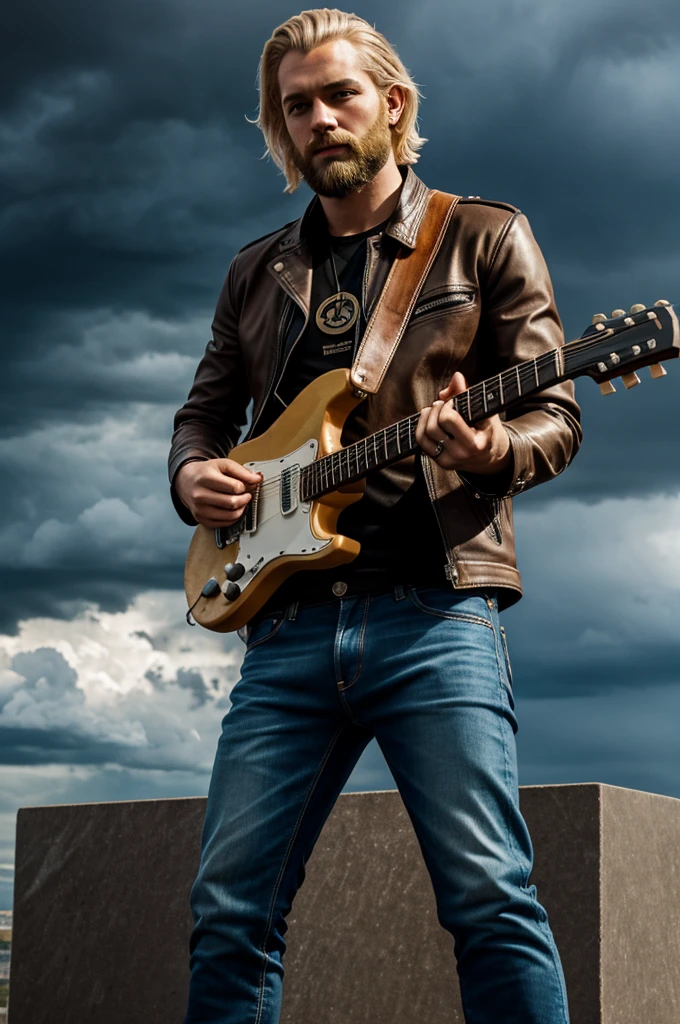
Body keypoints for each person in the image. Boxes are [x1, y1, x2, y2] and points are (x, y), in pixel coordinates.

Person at [168, 9, 581, 1023]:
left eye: (336, 94)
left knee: (488, 899)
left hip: (435, 615)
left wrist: (492, 449)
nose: (316, 118)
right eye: (294, 106)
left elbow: (553, 416)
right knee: (228, 912)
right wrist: (192, 478)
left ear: (390, 106)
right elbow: (201, 417)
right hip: (284, 625)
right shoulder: (255, 270)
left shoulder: (483, 235)